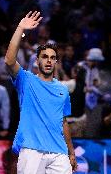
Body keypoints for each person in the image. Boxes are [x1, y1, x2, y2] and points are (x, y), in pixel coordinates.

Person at [5, 11, 77, 173]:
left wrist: (71, 152)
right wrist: (20, 28)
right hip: (31, 150)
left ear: (56, 62)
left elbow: (63, 121)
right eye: (44, 57)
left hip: (59, 152)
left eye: (52, 58)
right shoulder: (26, 80)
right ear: (37, 61)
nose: (49, 60)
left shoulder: (62, 89)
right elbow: (9, 60)